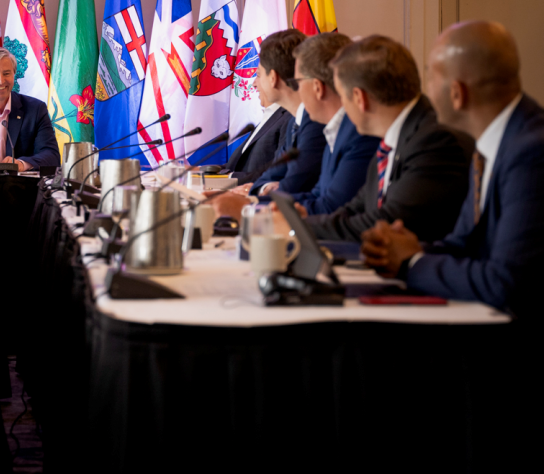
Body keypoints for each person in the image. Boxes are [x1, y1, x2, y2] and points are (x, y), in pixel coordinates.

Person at [362, 21, 544, 319]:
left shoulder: (531, 152)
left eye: (431, 77)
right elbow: (464, 243)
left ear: (457, 94)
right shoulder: (491, 144)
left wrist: (412, 263)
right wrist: (401, 249)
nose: (425, 90)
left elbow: (507, 282)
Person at [306, 35, 473, 242]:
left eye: (342, 96)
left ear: (359, 98)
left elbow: (387, 223)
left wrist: (298, 228)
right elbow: (354, 209)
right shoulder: (390, 141)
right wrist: (301, 222)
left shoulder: (435, 141)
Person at [215, 33, 378, 220]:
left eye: (298, 82)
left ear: (317, 87)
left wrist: (252, 207)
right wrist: (259, 201)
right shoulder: (327, 127)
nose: (296, 90)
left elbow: (328, 204)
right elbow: (315, 195)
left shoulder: (354, 134)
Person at [247, 29, 325, 194]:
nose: (254, 83)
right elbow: (269, 176)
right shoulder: (293, 123)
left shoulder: (315, 124)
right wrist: (267, 188)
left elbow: (293, 186)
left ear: (273, 78)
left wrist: (269, 189)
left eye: (259, 75)